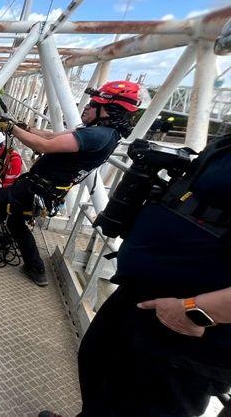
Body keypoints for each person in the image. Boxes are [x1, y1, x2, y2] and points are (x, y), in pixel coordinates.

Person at [41, 134, 231, 417]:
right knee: (97, 364)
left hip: (191, 324)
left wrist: (194, 311)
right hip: (141, 292)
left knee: (145, 404)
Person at [0, 80, 139, 286]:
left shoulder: (96, 135)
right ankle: (36, 269)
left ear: (109, 110)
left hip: (35, 188)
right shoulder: (103, 133)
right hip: (44, 189)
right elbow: (51, 135)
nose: (87, 107)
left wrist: (13, 129)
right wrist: (26, 128)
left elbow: (44, 145)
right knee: (15, 223)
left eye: (93, 104)